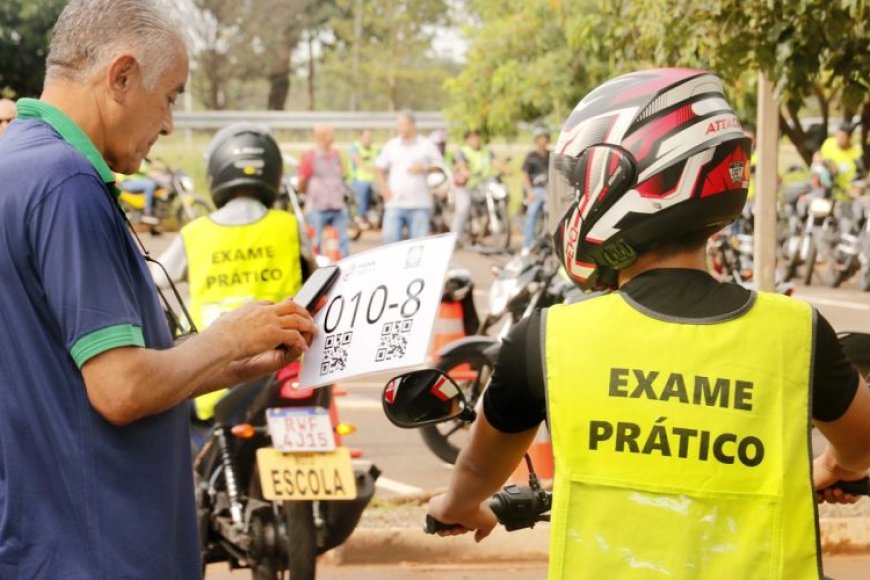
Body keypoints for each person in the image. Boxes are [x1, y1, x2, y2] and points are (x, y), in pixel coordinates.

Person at [426, 69, 870, 579]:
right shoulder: (796, 331)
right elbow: (859, 445)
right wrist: (831, 470)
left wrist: (458, 506)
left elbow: (479, 470)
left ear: (623, 185)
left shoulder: (547, 339)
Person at [0, 1, 315, 577]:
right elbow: (119, 389)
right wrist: (225, 338)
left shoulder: (17, 162)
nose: (169, 123)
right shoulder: (66, 182)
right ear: (120, 76)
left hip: (42, 541)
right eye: (170, 95)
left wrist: (234, 364)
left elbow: (60, 372)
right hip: (99, 549)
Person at [151, 123, 316, 420]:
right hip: (285, 366)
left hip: (213, 371)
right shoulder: (288, 225)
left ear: (216, 171)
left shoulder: (195, 233)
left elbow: (155, 280)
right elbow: (315, 278)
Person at [375, 111, 443, 244]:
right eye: (398, 124)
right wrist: (384, 189)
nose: (400, 127)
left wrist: (424, 168)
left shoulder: (426, 145)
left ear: (413, 125)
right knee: (390, 244)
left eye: (403, 124)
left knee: (417, 247)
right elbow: (379, 168)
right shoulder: (391, 145)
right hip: (395, 203)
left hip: (420, 205)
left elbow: (440, 166)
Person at [298, 124, 351, 257]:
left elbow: (342, 174)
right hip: (317, 206)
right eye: (330, 134)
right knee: (316, 243)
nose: (333, 137)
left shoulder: (336, 154)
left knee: (342, 241)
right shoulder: (310, 156)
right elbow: (302, 180)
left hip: (337, 204)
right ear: (321, 137)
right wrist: (309, 194)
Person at [451, 129, 497, 245]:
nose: (475, 140)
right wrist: (466, 171)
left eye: (477, 137)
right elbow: (461, 165)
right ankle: (454, 238)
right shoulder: (462, 152)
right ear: (467, 140)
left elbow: (497, 163)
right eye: (472, 137)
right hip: (464, 185)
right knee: (463, 207)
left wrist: (507, 170)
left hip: (482, 185)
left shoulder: (486, 151)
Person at [521, 125, 550, 250]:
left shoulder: (552, 155)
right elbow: (525, 176)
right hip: (537, 190)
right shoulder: (531, 156)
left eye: (545, 137)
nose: (543, 140)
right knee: (532, 213)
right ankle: (527, 245)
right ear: (536, 140)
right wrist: (529, 191)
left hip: (550, 190)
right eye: (541, 138)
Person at [820, 122, 864, 200]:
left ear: (850, 138)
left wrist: (857, 189)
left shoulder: (857, 152)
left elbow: (863, 174)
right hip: (832, 192)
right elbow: (820, 160)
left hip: (850, 194)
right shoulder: (829, 143)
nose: (839, 140)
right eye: (837, 136)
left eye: (843, 138)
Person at [116, 157, 161, 224]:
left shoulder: (144, 159)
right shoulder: (135, 157)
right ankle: (147, 212)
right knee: (150, 185)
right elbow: (143, 170)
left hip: (134, 182)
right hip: (126, 182)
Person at [348, 128, 378, 228]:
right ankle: (361, 216)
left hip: (374, 181)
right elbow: (358, 162)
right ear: (360, 137)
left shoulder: (376, 149)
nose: (368, 139)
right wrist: (371, 169)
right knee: (363, 187)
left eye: (370, 136)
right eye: (366, 136)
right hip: (357, 181)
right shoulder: (354, 147)